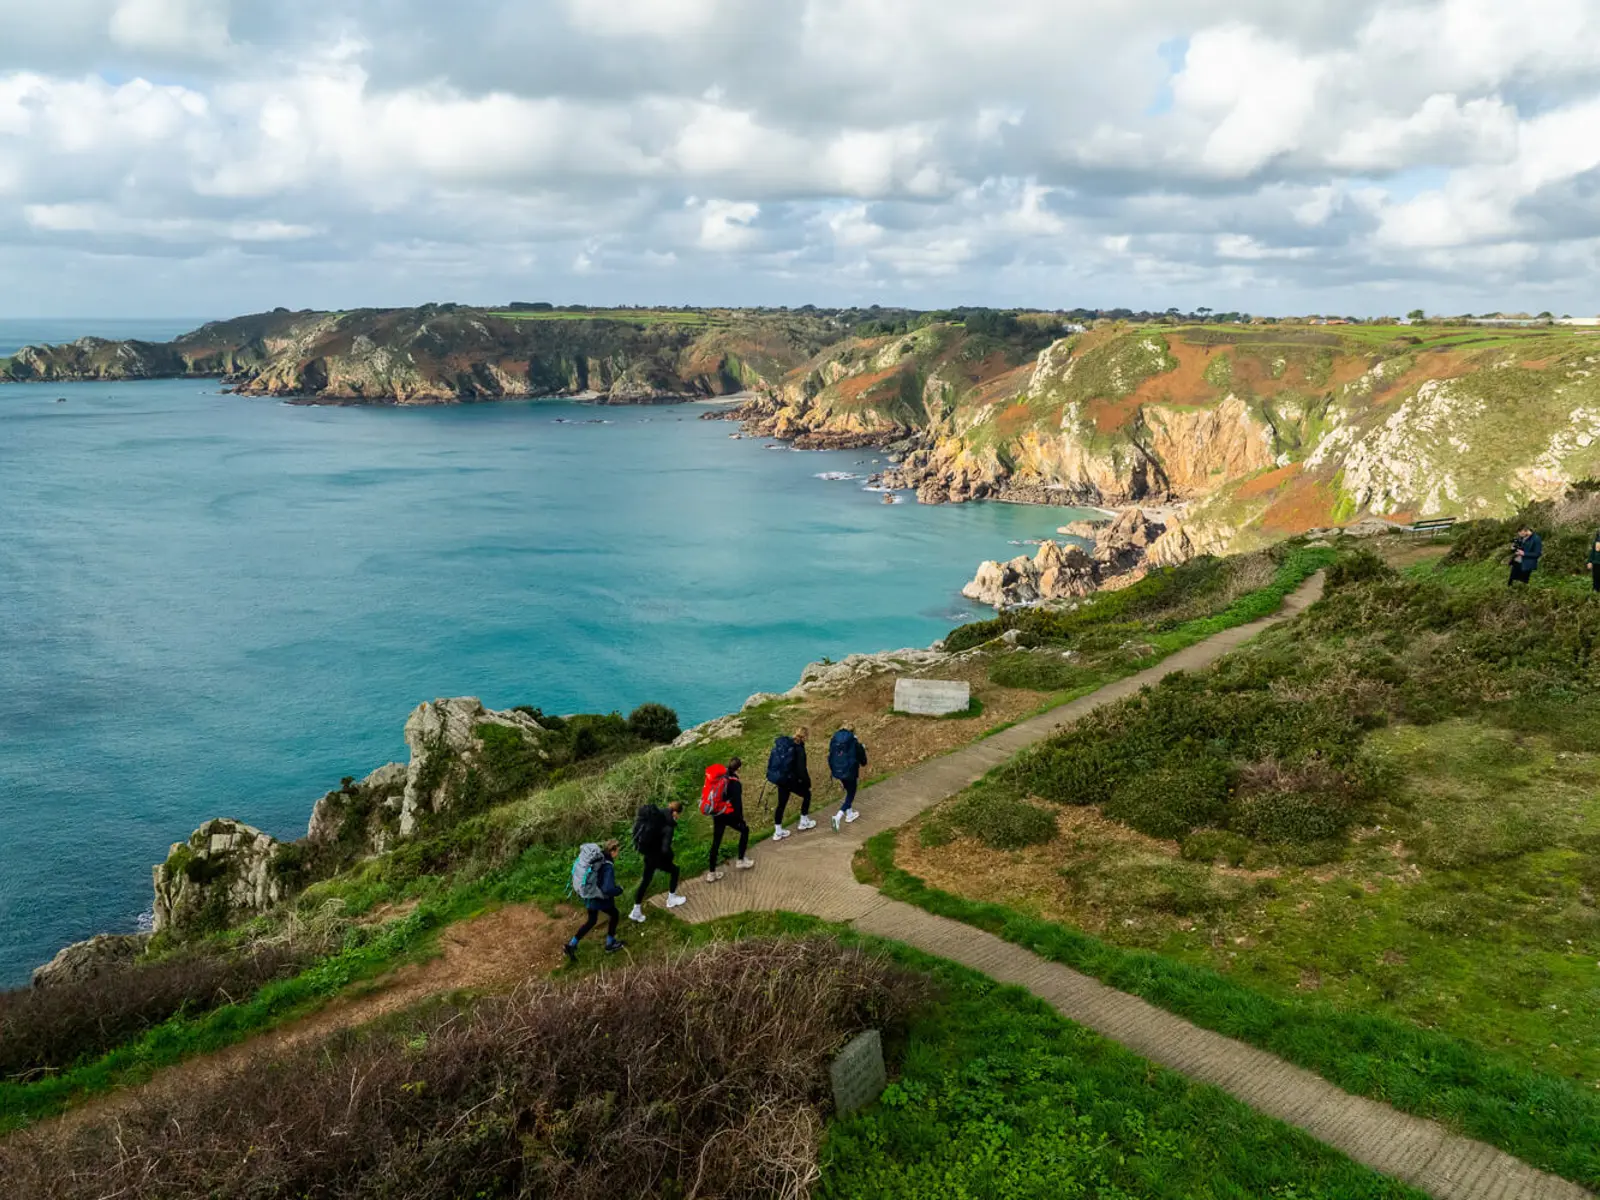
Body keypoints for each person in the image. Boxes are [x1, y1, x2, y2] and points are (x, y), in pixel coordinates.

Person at [564, 840, 625, 960]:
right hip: (599, 898)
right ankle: (610, 944)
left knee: (591, 921)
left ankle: (571, 944)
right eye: (617, 850)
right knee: (615, 914)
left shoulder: (597, 860)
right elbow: (607, 889)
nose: (618, 853)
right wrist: (619, 890)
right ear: (613, 851)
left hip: (589, 894)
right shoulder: (608, 866)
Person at [629, 800, 687, 923]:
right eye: (679, 815)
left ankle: (636, 910)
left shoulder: (657, 815)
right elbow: (665, 849)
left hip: (648, 853)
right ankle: (671, 899)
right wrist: (670, 856)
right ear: (675, 812)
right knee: (675, 870)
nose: (678, 817)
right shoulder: (668, 826)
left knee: (645, 881)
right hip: (656, 856)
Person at [707, 757, 754, 880]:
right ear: (739, 768)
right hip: (729, 814)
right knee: (745, 830)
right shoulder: (735, 782)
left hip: (717, 813)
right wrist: (740, 819)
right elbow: (737, 803)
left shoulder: (719, 777)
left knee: (716, 842)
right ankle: (741, 859)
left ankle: (711, 873)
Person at [770, 727, 813, 839]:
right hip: (791, 780)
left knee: (781, 804)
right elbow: (801, 770)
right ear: (805, 737)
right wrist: (807, 782)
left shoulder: (788, 744)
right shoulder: (799, 749)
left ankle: (778, 831)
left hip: (781, 779)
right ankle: (803, 821)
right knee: (807, 795)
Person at [828, 725, 869, 832]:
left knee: (848, 790)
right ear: (853, 732)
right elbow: (863, 762)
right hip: (851, 772)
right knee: (851, 794)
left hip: (839, 771)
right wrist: (862, 749)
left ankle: (849, 814)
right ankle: (837, 817)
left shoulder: (835, 742)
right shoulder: (855, 744)